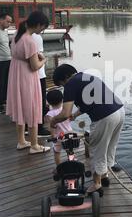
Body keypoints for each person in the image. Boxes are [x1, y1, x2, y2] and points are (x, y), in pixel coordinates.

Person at [50, 64, 125, 194]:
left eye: (62, 84)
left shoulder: (70, 84)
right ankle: (105, 175)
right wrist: (75, 115)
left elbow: (65, 113)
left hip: (105, 116)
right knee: (109, 147)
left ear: (65, 78)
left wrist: (53, 120)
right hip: (119, 111)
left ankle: (97, 184)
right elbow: (87, 104)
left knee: (97, 150)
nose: (63, 88)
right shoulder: (87, 77)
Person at [6, 11, 51, 155]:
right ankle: (34, 145)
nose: (41, 31)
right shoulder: (30, 41)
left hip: (16, 74)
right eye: (42, 28)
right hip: (27, 76)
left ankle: (21, 141)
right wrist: (44, 60)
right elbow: (35, 66)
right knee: (32, 107)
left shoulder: (16, 36)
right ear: (38, 25)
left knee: (20, 106)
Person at [45, 90, 74, 166]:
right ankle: (72, 163)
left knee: (57, 152)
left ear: (48, 102)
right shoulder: (65, 111)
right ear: (62, 100)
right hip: (69, 134)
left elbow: (51, 127)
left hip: (58, 136)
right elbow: (70, 118)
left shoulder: (50, 114)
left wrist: (52, 136)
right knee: (70, 150)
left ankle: (59, 167)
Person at [32, 32, 50, 137]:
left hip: (30, 75)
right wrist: (45, 59)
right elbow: (39, 54)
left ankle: (27, 125)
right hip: (39, 75)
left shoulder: (20, 35)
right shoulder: (36, 36)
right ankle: (39, 127)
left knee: (34, 101)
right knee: (40, 101)